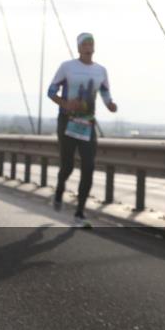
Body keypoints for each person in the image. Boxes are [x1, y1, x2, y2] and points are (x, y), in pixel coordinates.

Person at [47, 32, 118, 228]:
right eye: (84, 43)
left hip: (87, 124)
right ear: (78, 48)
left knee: (88, 167)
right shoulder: (67, 67)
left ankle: (79, 213)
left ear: (94, 47)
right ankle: (60, 189)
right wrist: (65, 103)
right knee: (68, 165)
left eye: (91, 43)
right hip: (68, 122)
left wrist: (110, 104)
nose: (88, 46)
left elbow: (104, 91)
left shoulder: (100, 70)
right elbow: (51, 91)